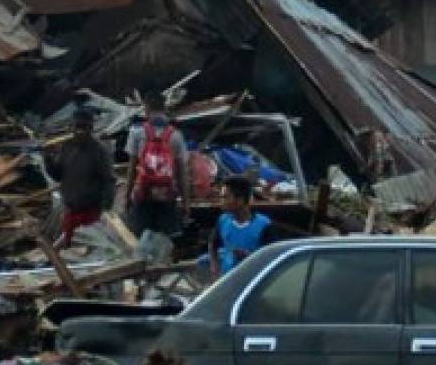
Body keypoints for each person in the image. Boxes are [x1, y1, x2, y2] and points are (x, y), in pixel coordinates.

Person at [44, 108, 116, 248]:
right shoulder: (67, 147)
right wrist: (48, 159)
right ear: (72, 127)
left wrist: (106, 209)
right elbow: (58, 176)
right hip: (71, 211)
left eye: (84, 127)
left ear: (91, 128)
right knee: (69, 250)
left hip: (91, 213)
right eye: (77, 127)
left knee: (89, 250)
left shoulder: (99, 150)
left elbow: (109, 180)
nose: (80, 131)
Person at [124, 92, 190, 237]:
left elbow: (131, 169)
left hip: (143, 194)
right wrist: (186, 202)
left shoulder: (137, 132)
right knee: (164, 240)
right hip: (167, 196)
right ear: (164, 107)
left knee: (140, 239)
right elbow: (182, 173)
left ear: (146, 108)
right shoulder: (176, 135)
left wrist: (127, 196)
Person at [202, 175, 275, 278]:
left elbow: (271, 259)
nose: (221, 201)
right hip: (228, 280)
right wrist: (214, 266)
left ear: (239, 200)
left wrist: (248, 257)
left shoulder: (263, 225)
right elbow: (213, 244)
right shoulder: (223, 220)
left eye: (225, 197)